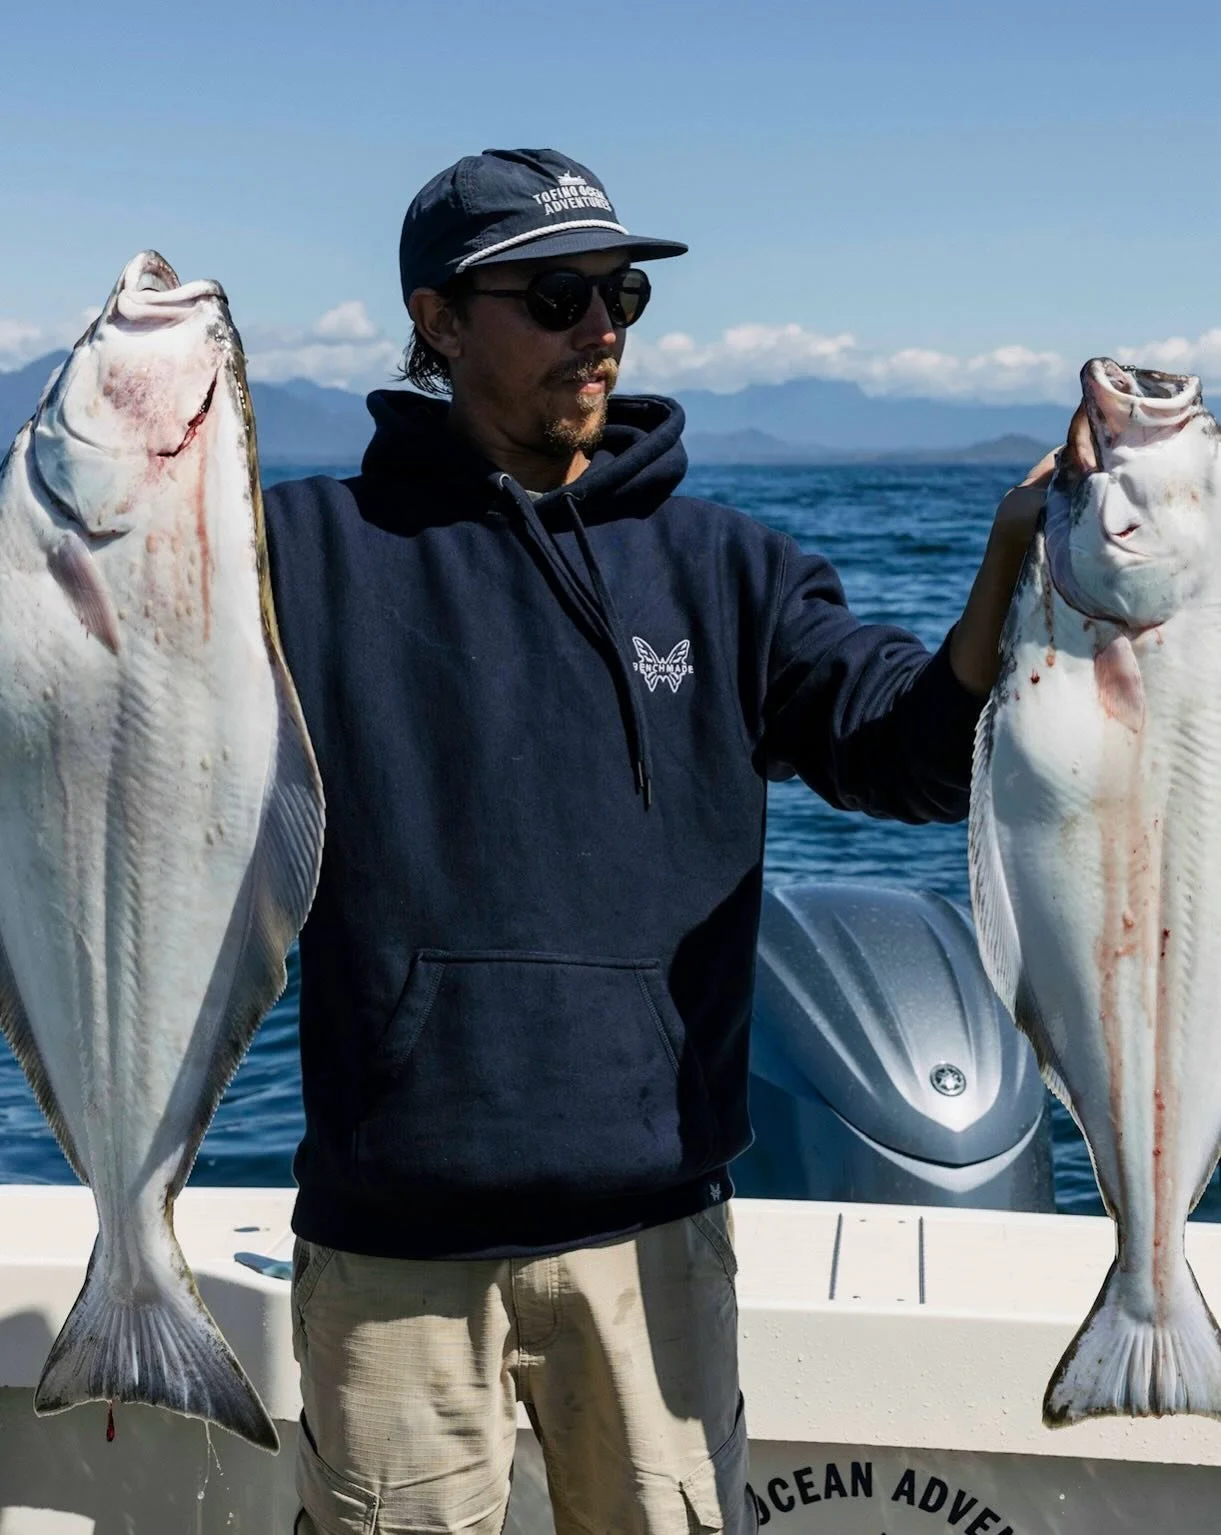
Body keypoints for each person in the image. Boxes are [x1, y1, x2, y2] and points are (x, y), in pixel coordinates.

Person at [264, 146, 1061, 1535]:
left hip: (653, 1236)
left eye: (621, 289)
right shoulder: (295, 556)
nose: (603, 324)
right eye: (557, 292)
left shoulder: (730, 569)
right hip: (387, 1238)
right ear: (438, 320)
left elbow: (914, 755)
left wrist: (1012, 568)